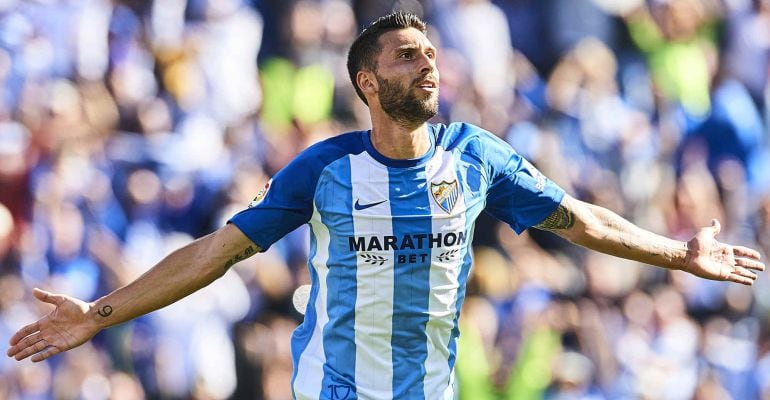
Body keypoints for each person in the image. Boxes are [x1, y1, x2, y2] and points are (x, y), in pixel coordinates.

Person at [6, 11, 765, 400]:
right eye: (407, 54)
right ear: (368, 83)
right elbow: (215, 251)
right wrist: (98, 315)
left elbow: (584, 221)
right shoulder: (325, 170)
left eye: (431, 52)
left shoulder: (477, 158)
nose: (427, 62)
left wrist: (678, 255)